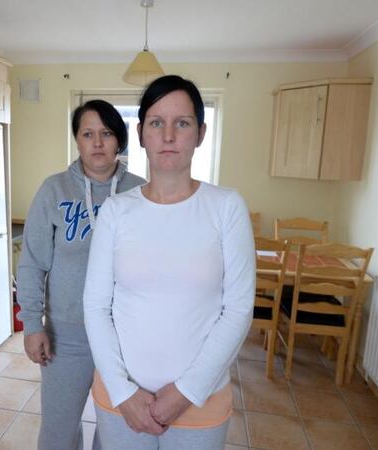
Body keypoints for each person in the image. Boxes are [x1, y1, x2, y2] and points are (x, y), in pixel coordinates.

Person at [83, 75, 255, 449]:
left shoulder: (226, 207)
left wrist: (186, 392)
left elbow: (238, 309)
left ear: (201, 133)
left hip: (201, 402)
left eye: (183, 123)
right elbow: (96, 306)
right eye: (157, 123)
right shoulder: (115, 211)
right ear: (141, 134)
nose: (169, 135)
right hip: (121, 402)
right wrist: (123, 392)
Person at [16, 99, 145, 450]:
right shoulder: (54, 190)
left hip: (126, 340)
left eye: (106, 133)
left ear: (119, 140)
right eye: (88, 134)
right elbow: (32, 263)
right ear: (77, 139)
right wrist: (32, 324)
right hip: (66, 338)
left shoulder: (141, 192)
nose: (98, 142)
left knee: (118, 436)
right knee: (58, 433)